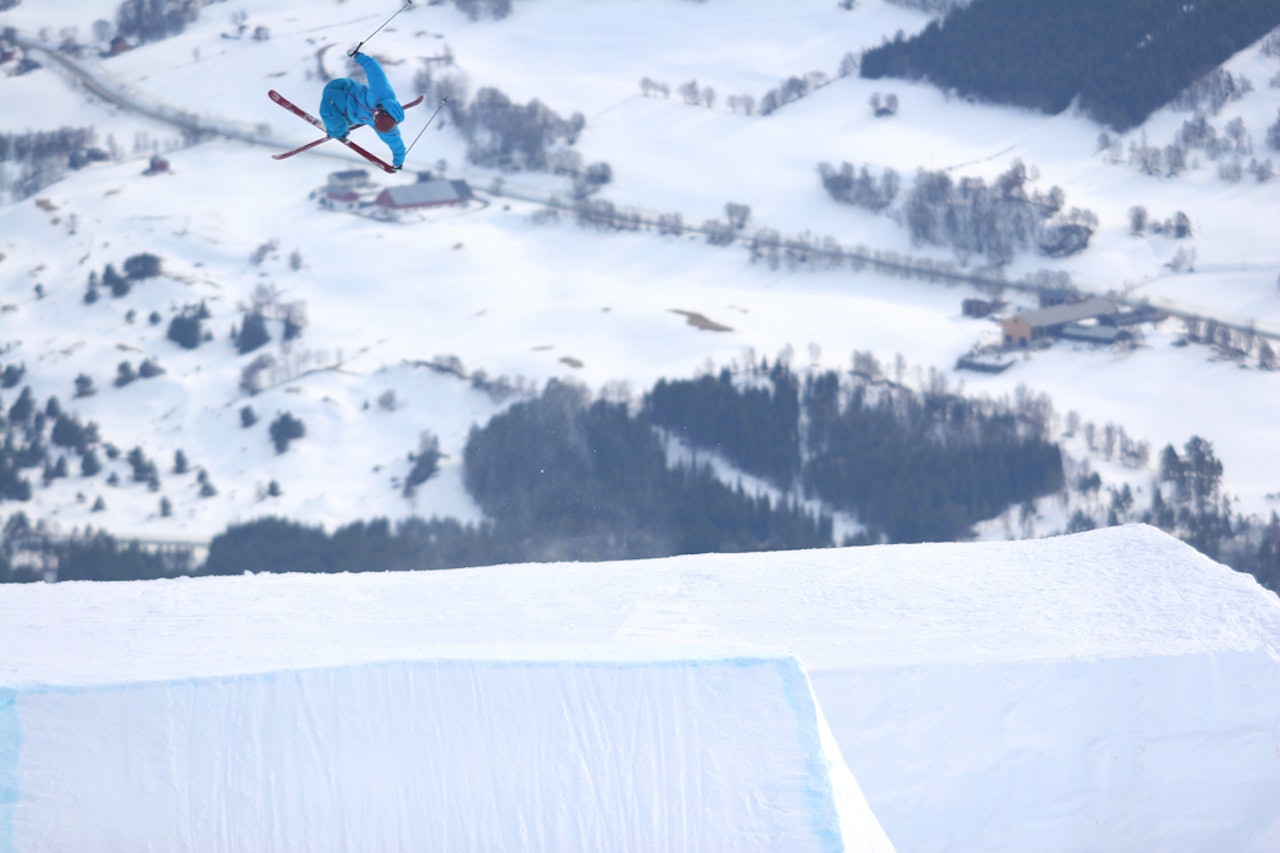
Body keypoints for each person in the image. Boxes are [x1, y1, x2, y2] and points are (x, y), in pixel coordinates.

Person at [320, 51, 406, 169]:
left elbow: (397, 145)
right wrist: (358, 55)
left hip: (349, 111)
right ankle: (337, 130)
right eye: (377, 117)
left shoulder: (388, 130)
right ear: (381, 110)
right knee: (331, 104)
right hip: (347, 91)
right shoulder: (382, 93)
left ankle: (337, 128)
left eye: (375, 122)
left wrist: (398, 162)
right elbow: (375, 71)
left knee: (334, 114)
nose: (373, 118)